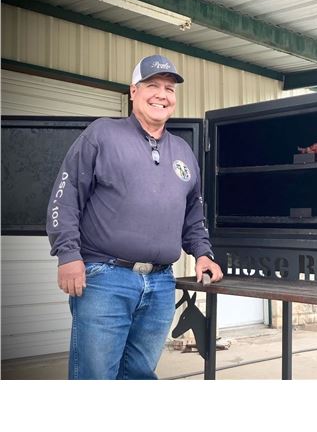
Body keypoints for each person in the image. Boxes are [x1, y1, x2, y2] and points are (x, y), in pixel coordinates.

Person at [46, 54, 223, 380]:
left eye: (169, 89)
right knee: (95, 378)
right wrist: (68, 254)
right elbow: (66, 197)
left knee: (140, 376)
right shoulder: (102, 134)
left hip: (161, 284)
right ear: (133, 91)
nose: (162, 95)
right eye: (152, 85)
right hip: (104, 279)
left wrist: (203, 253)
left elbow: (193, 214)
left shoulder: (183, 151)